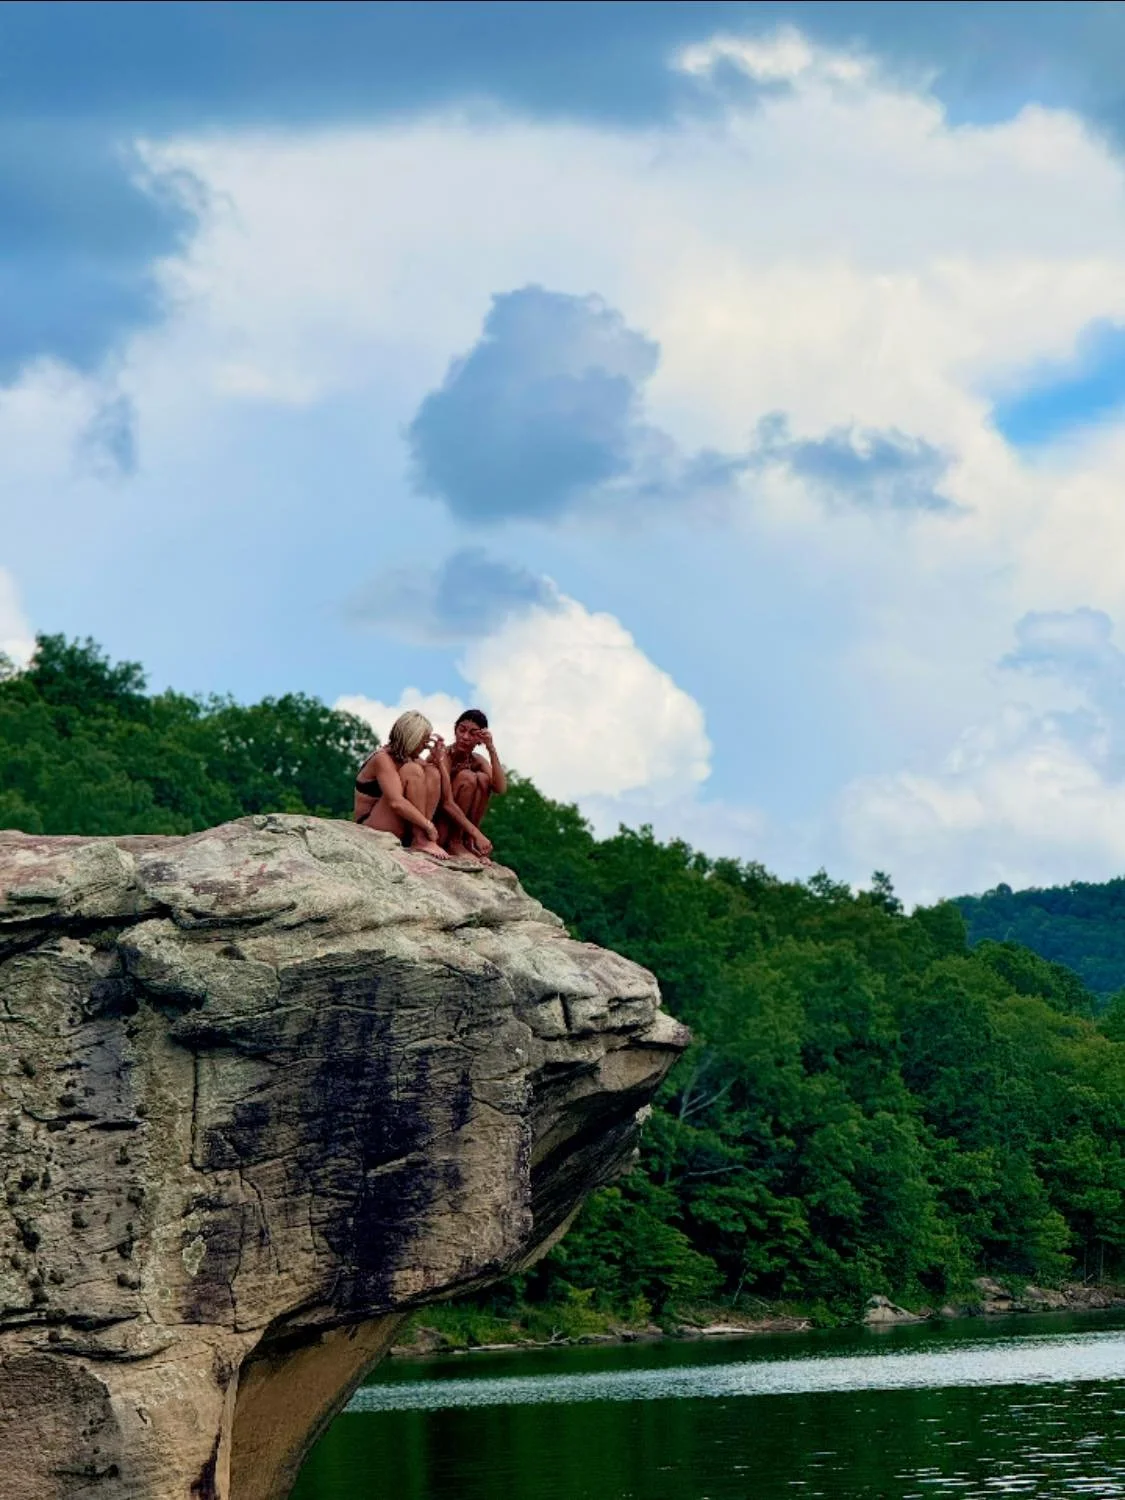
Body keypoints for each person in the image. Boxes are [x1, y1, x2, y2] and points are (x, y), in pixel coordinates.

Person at [353, 710, 449, 859]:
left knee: (432, 773)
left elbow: (447, 797)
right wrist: (427, 825)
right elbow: (396, 803)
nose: (425, 746)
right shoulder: (382, 759)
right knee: (413, 770)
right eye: (423, 741)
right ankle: (420, 839)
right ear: (412, 738)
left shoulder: (412, 759)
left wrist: (439, 761)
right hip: (372, 825)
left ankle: (420, 838)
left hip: (402, 828)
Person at [437, 708, 507, 860]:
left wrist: (491, 748)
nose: (465, 737)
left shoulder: (476, 760)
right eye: (461, 730)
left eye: (473, 733)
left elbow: (500, 788)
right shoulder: (443, 755)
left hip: (464, 828)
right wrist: (477, 834)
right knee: (467, 777)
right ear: (455, 729)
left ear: (480, 739)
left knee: (483, 779)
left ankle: (467, 841)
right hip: (438, 825)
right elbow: (445, 802)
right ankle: (454, 842)